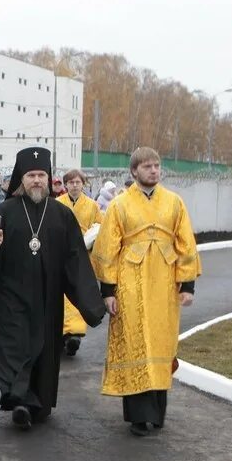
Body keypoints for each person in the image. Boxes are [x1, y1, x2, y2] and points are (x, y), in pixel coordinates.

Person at [0, 148, 105, 430]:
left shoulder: (62, 215)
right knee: (14, 347)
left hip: (47, 298)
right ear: (22, 178)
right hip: (10, 297)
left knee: (42, 350)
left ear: (49, 178)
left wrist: (92, 303)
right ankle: (18, 401)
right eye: (31, 175)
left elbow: (75, 258)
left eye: (41, 175)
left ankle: (35, 403)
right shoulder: (3, 212)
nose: (37, 180)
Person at [92, 147, 200, 436]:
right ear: (134, 172)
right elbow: (106, 250)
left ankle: (158, 412)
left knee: (161, 344)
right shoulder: (119, 205)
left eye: (157, 166)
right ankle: (138, 416)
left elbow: (186, 244)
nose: (154, 170)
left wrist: (187, 284)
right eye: (147, 166)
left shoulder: (175, 203)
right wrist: (108, 291)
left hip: (164, 287)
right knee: (135, 343)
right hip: (129, 286)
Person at [57, 168, 103, 356]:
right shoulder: (57, 203)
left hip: (83, 256)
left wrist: (91, 241)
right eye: (71, 182)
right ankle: (62, 333)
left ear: (83, 184)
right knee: (62, 296)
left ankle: (74, 334)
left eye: (78, 182)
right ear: (66, 184)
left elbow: (100, 227)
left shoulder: (92, 206)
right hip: (61, 255)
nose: (75, 185)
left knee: (79, 293)